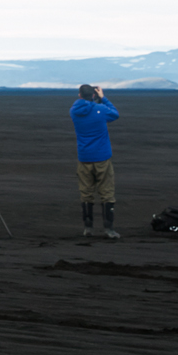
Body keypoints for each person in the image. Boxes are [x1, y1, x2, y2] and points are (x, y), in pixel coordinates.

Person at [71, 83, 121, 239]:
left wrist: (94, 101)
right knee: (107, 193)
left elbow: (87, 109)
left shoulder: (74, 111)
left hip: (84, 157)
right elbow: (115, 114)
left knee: (86, 193)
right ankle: (109, 229)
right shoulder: (101, 109)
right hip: (102, 157)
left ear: (79, 95)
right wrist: (103, 98)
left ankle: (88, 228)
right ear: (93, 95)